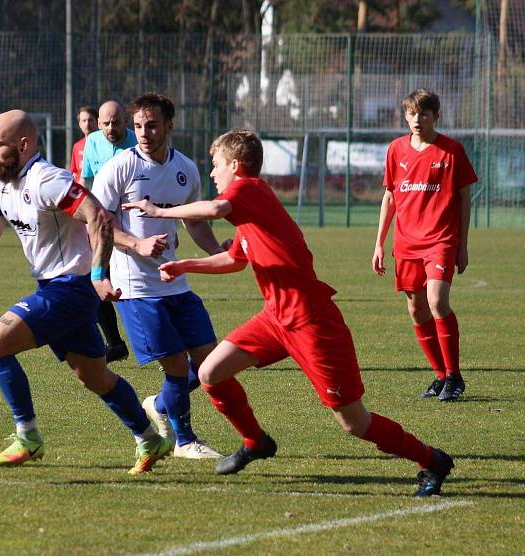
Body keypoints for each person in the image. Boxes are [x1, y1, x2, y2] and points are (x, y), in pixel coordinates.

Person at [123, 129, 455, 497]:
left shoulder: (248, 190)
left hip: (312, 322)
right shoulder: (249, 210)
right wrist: (186, 265)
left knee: (354, 421)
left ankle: (431, 460)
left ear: (235, 166)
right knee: (210, 373)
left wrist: (158, 210)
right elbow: (235, 259)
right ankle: (255, 441)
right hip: (276, 318)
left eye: (215, 165)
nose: (212, 173)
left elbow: (215, 209)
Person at [0, 110, 171, 475]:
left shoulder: (48, 180)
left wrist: (100, 273)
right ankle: (150, 439)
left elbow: (98, 217)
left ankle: (28, 436)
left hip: (71, 288)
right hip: (52, 286)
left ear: (23, 145)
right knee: (95, 378)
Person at [92, 93, 226, 460]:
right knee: (177, 366)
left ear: (169, 125)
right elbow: (97, 221)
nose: (143, 133)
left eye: (151, 125)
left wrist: (217, 251)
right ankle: (184, 441)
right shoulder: (121, 167)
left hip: (175, 280)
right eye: (137, 126)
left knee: (211, 364)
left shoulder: (185, 168)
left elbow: (194, 221)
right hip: (135, 286)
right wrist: (136, 244)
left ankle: (161, 405)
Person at [373, 89, 477, 402]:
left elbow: (464, 198)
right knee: (416, 310)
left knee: (436, 300)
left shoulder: (452, 151)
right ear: (405, 116)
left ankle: (455, 376)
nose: (417, 120)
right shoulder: (396, 150)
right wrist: (379, 244)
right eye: (412, 114)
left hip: (441, 240)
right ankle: (441, 375)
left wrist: (462, 244)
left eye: (424, 114)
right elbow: (389, 197)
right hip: (406, 243)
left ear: (435, 116)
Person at [80, 100, 138, 363]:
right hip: (100, 224)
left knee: (138, 287)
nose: (111, 128)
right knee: (98, 279)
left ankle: (165, 348)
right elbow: (86, 180)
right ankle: (114, 343)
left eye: (116, 122)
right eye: (106, 123)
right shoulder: (92, 142)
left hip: (132, 223)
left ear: (125, 121)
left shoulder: (139, 141)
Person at [69, 106, 98, 183]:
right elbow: (74, 172)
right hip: (84, 192)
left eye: (90, 120)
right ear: (79, 124)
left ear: (98, 122)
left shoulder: (105, 143)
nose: (87, 124)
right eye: (84, 121)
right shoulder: (77, 146)